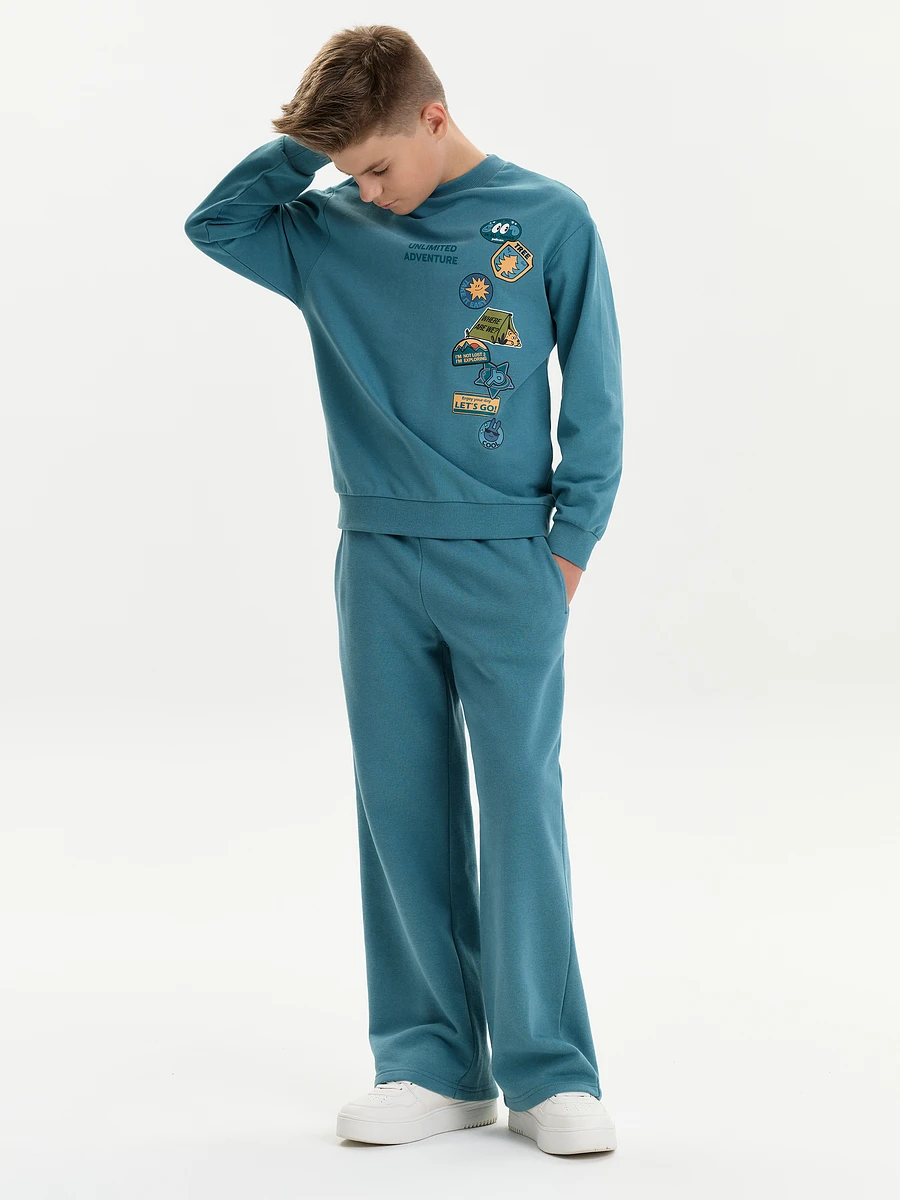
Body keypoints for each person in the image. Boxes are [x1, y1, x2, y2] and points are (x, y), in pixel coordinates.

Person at [184, 23, 623, 1157]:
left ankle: (549, 1071)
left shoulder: (550, 218)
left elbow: (597, 403)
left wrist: (565, 555)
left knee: (520, 806)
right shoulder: (327, 229)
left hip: (510, 560)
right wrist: (315, 144)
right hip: (376, 555)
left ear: (436, 116)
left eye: (378, 164)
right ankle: (431, 1063)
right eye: (349, 172)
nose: (368, 191)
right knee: (400, 806)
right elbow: (216, 223)